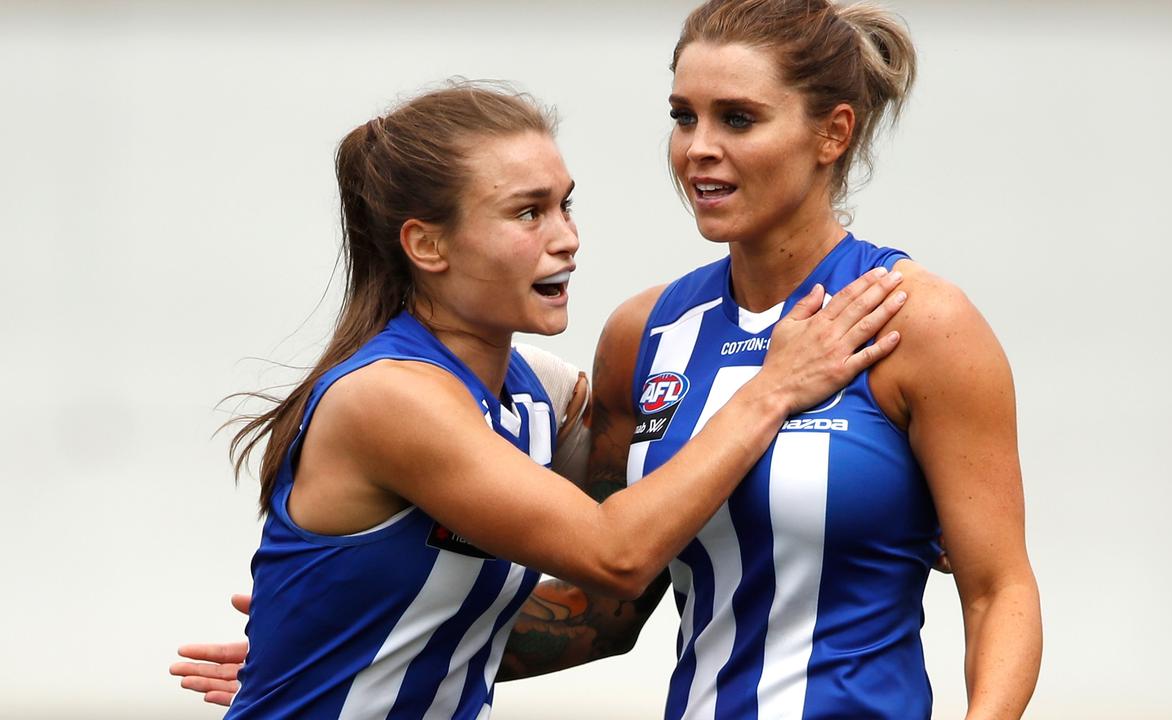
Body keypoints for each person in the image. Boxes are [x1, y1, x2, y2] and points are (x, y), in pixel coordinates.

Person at [176, 0, 1043, 716]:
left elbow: (998, 592)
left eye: (737, 118)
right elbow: (608, 593)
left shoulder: (914, 319)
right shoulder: (646, 334)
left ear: (832, 134)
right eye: (683, 116)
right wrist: (360, 637)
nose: (697, 146)